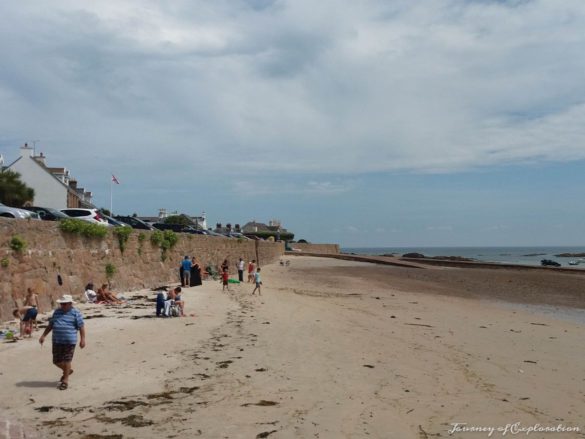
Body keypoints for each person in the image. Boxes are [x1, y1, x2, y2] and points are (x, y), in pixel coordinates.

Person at [39, 294, 85, 390]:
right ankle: (68, 371)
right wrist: (43, 335)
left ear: (70, 303)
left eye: (64, 304)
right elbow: (51, 325)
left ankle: (65, 380)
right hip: (57, 340)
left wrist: (82, 339)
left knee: (67, 360)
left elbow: (81, 327)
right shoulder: (57, 312)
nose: (62, 306)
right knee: (56, 361)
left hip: (70, 341)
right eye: (61, 304)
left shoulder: (76, 313)